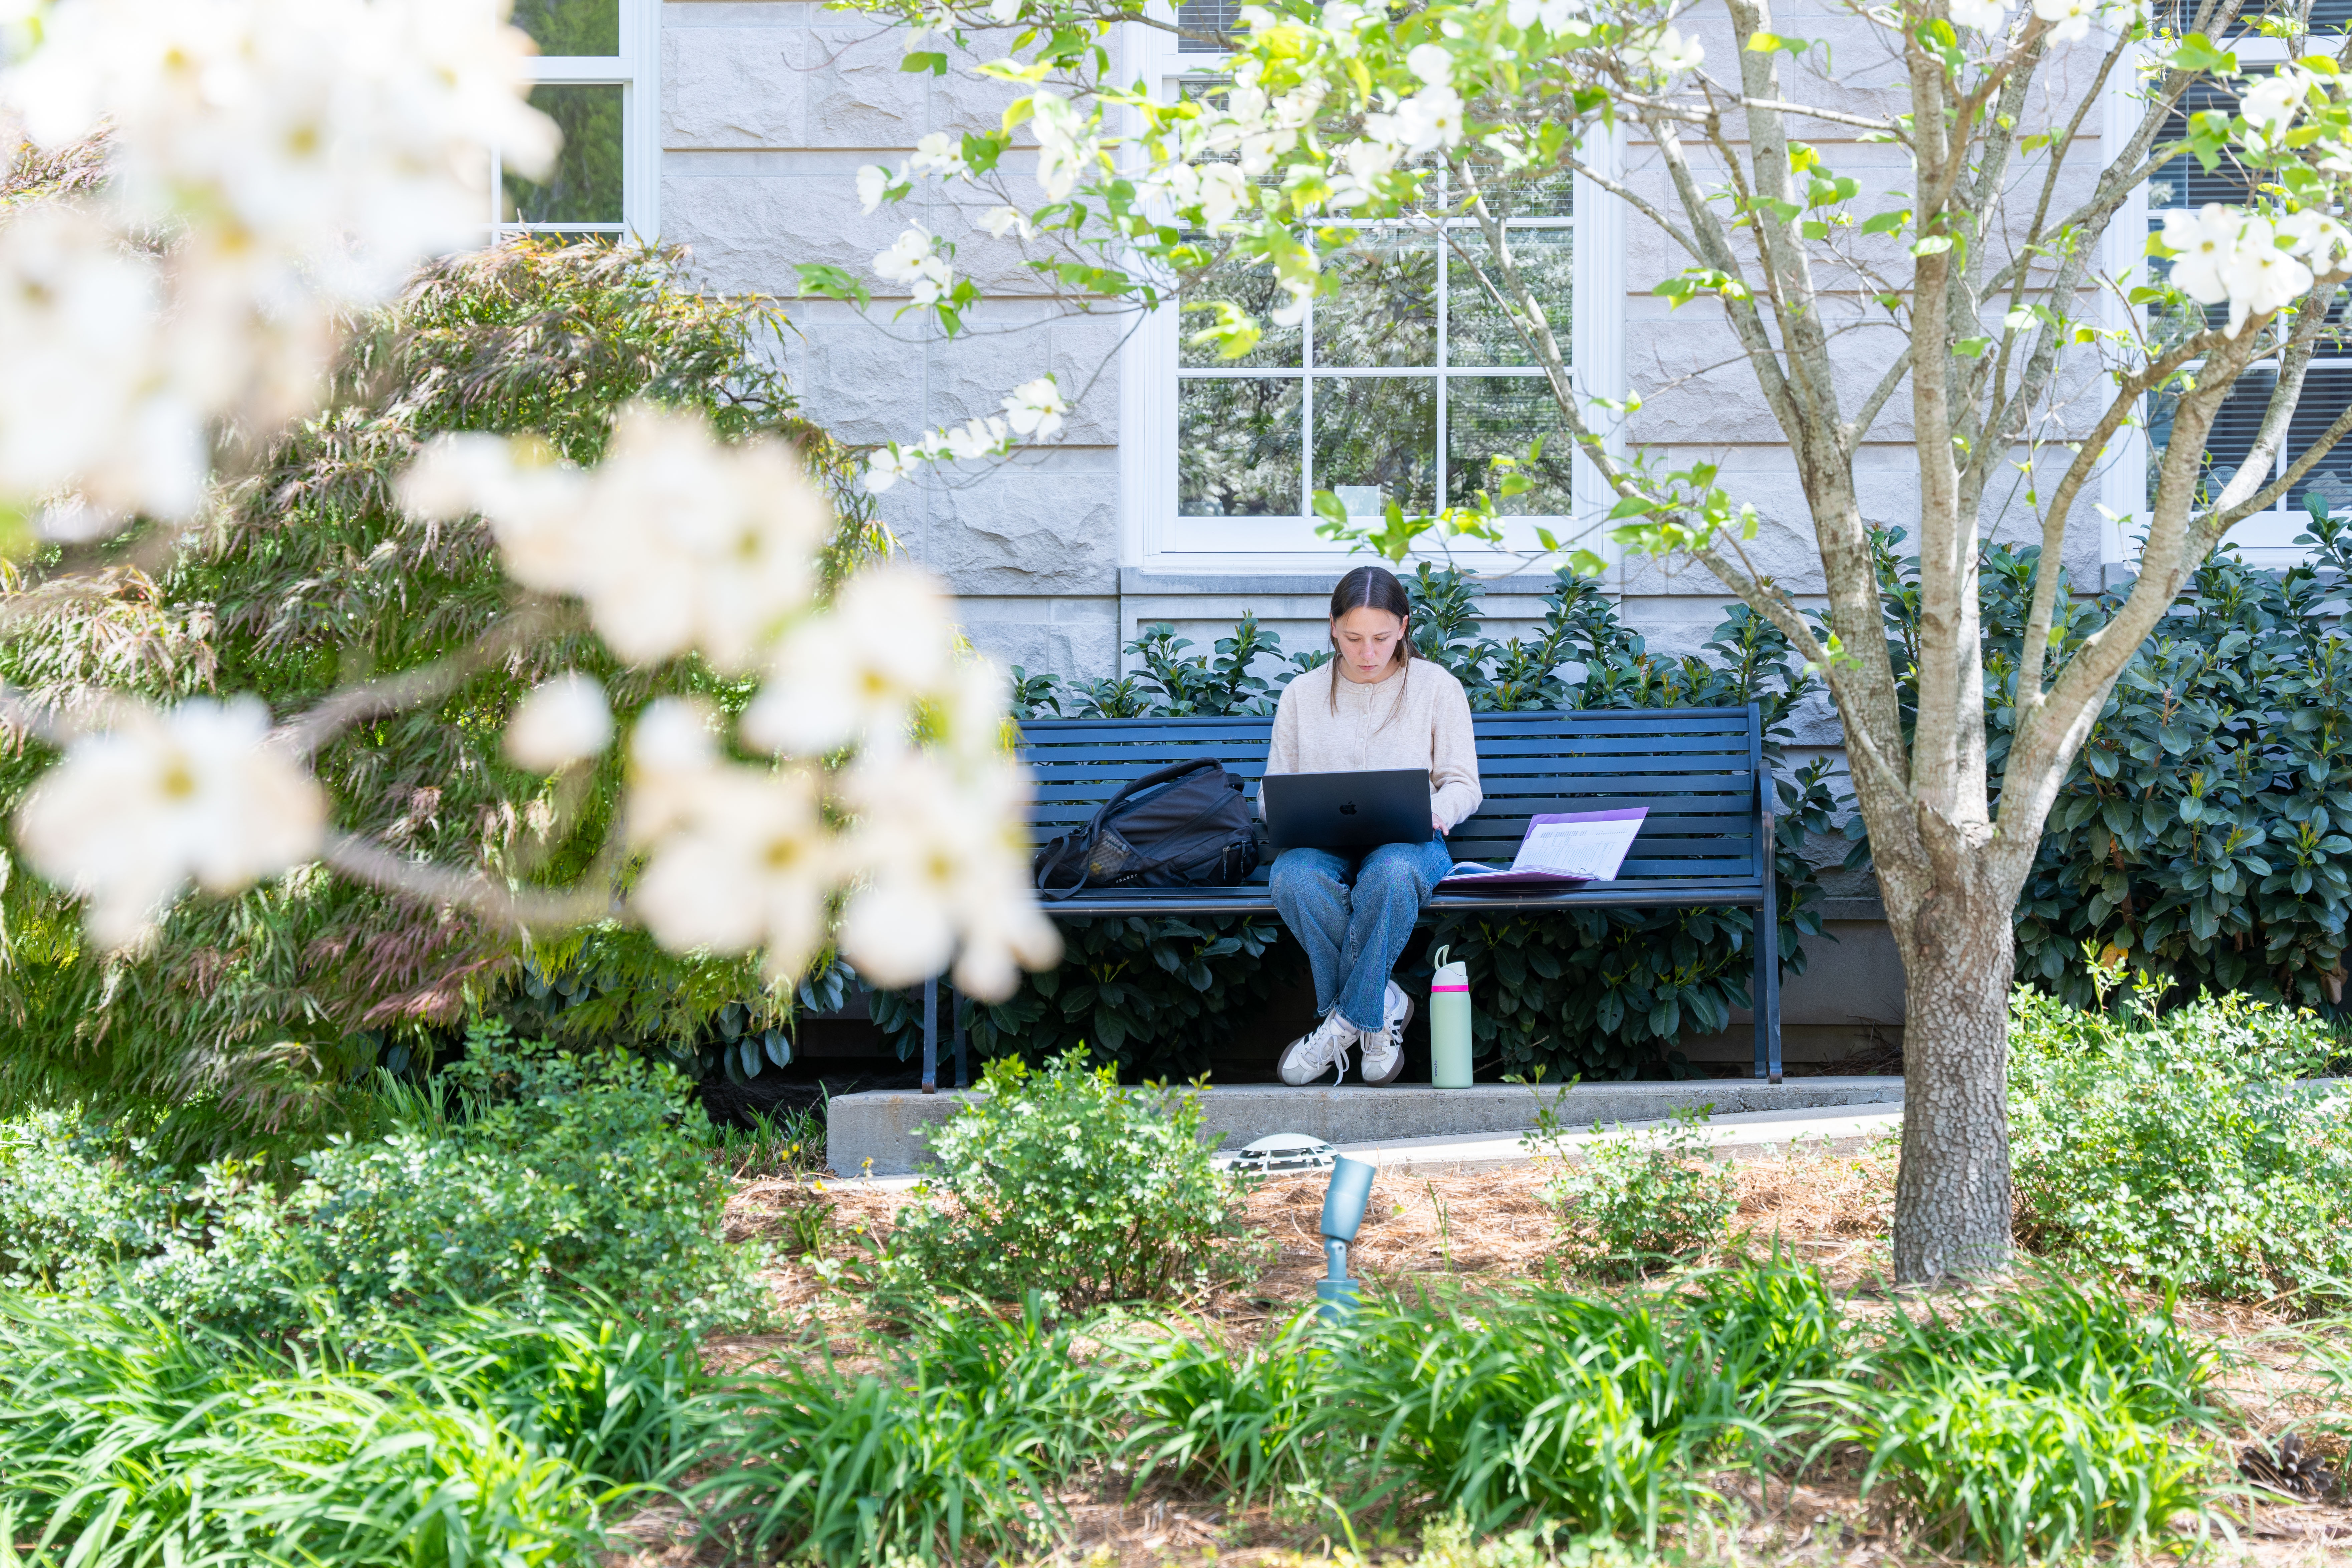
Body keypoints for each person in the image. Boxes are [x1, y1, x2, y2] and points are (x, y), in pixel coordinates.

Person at [1263, 565, 1480, 1086]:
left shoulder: (1436, 687)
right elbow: (1272, 787)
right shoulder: (1301, 693)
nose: (1367, 653)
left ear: (1404, 627)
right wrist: (1285, 810)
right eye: (1354, 637)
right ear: (1332, 627)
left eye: (1381, 638)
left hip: (1410, 842)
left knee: (1391, 872)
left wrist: (1439, 810)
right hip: (1324, 842)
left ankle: (1341, 1023)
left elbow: (1463, 783)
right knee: (1291, 877)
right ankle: (1380, 1006)